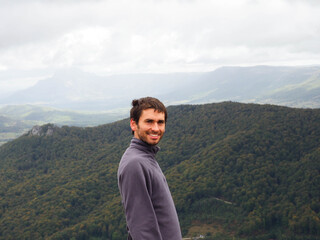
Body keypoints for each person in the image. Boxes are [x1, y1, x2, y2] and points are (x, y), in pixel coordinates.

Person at [117, 97, 182, 240]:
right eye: (149, 121)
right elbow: (142, 227)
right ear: (133, 124)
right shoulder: (135, 163)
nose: (156, 128)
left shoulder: (146, 157)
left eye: (160, 122)